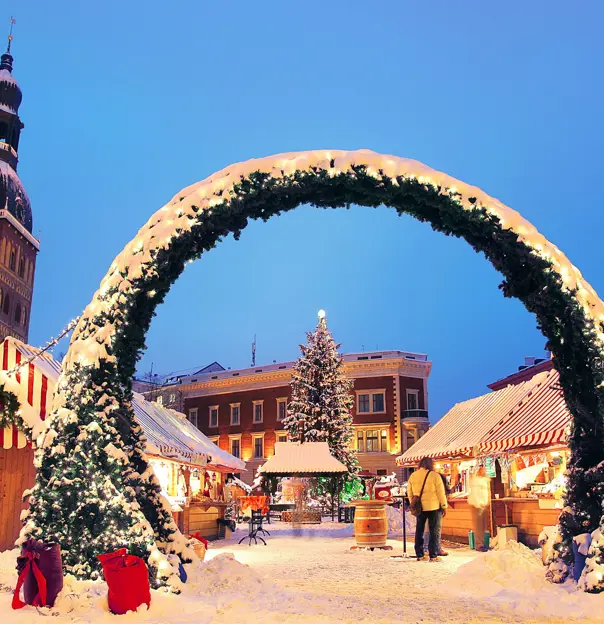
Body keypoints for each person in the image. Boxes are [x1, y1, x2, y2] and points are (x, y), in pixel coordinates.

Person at [408, 457, 448, 562]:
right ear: (430, 464)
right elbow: (440, 492)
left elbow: (409, 491)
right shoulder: (435, 476)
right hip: (433, 506)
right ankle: (433, 555)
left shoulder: (413, 475)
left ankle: (420, 554)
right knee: (434, 531)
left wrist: (413, 502)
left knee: (419, 530)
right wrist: (444, 505)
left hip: (420, 507)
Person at [423, 470, 450, 556]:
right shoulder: (437, 481)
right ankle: (428, 548)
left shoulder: (430, 481)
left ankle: (432, 548)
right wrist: (444, 506)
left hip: (431, 506)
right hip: (434, 507)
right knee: (433, 529)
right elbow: (441, 494)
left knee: (434, 529)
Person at [468, 466, 490, 551]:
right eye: (482, 469)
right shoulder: (475, 480)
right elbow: (475, 493)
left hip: (483, 505)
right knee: (478, 526)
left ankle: (483, 543)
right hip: (476, 505)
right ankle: (479, 544)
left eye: (485, 469)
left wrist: (486, 502)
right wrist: (478, 504)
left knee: (483, 526)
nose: (484, 471)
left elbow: (485, 492)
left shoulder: (485, 480)